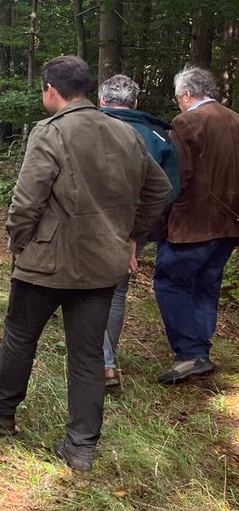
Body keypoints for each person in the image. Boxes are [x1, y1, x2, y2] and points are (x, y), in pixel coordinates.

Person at [0, 56, 170, 472]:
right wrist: (129, 235)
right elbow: (159, 191)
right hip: (103, 263)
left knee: (20, 337)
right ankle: (81, 446)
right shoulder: (126, 133)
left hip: (47, 261)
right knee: (88, 354)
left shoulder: (50, 131)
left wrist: (19, 243)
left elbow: (27, 199)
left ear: (51, 89)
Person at [153, 65, 239, 386]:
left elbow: (178, 177)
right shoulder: (236, 120)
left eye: (178, 98)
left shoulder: (187, 123)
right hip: (229, 225)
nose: (178, 104)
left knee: (170, 282)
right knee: (207, 285)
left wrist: (158, 215)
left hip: (192, 224)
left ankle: (190, 353)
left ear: (187, 94)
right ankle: (199, 350)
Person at [98, 74, 179, 390]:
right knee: (116, 290)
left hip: (91, 223)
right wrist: (137, 233)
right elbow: (167, 190)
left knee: (85, 290)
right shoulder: (158, 137)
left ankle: (103, 364)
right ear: (134, 103)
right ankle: (105, 363)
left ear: (102, 100)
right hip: (137, 225)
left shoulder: (85, 127)